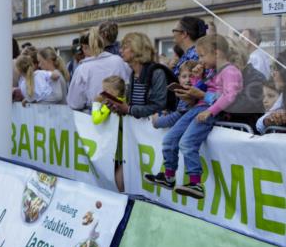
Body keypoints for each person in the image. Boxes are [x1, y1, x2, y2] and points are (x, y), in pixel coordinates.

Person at [144, 34, 242, 199]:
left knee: (187, 142)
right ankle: (169, 176)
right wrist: (198, 77)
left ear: (217, 53)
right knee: (169, 139)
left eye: (202, 56)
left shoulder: (230, 71)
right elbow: (200, 90)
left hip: (210, 111)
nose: (200, 60)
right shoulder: (212, 71)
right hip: (197, 109)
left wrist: (210, 111)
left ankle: (196, 183)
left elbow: (229, 97)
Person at [104, 32, 171, 120]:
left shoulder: (157, 73)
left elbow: (158, 107)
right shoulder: (133, 74)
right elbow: (133, 109)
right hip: (139, 127)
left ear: (137, 49)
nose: (120, 51)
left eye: (125, 47)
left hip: (154, 127)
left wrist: (128, 109)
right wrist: (119, 108)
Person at [66, 27, 131, 111]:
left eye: (83, 48)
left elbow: (75, 103)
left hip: (95, 113)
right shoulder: (118, 61)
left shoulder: (82, 69)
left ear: (85, 47)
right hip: (120, 111)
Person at [151, 62, 206, 129]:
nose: (188, 80)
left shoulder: (191, 95)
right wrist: (167, 112)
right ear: (179, 78)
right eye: (184, 77)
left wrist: (157, 122)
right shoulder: (181, 92)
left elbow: (176, 118)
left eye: (191, 76)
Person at [256, 51, 286, 134]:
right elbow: (259, 124)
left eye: (276, 69)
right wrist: (269, 119)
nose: (273, 74)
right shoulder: (283, 95)